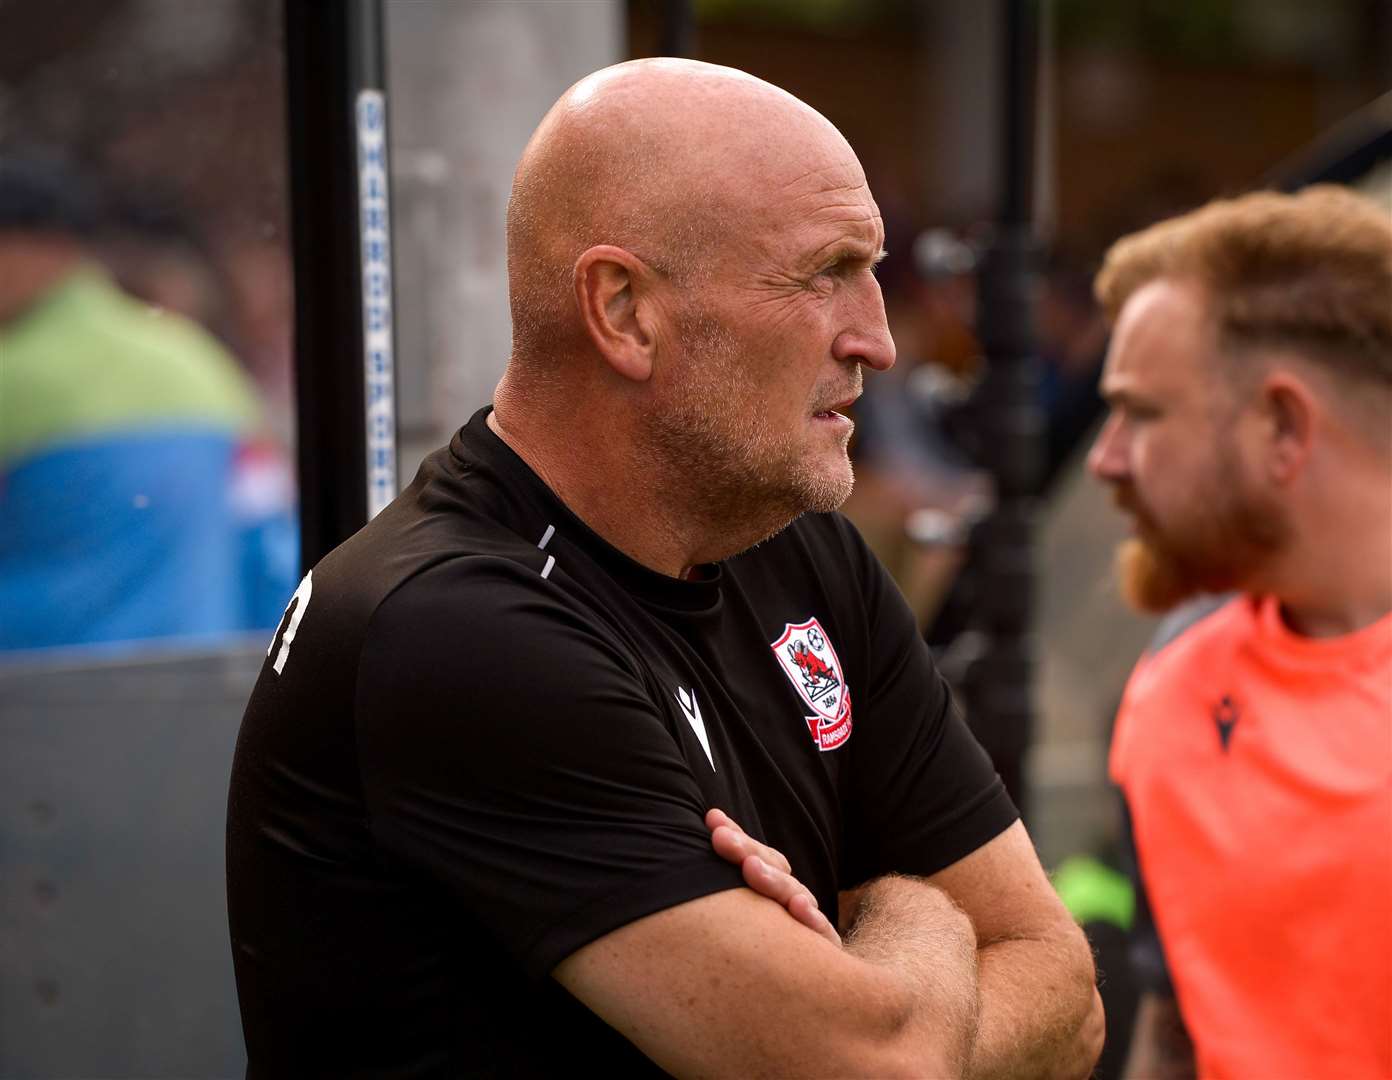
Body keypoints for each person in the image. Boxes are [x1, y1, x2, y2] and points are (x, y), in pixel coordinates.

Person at [226, 59, 1102, 1077]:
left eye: (873, 271)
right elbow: (879, 1070)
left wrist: (874, 980)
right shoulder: (456, 628)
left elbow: (1065, 993)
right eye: (825, 273)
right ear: (625, 311)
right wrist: (917, 909)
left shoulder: (801, 544)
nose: (879, 339)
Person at [1086, 185, 1392, 1078]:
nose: (1105, 459)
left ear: (1283, 429)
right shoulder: (1173, 682)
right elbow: (1178, 1023)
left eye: (1141, 414)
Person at [0, 148, 297, 652]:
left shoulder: (14, 376)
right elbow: (273, 559)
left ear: (39, 247)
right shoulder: (194, 359)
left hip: (37, 711)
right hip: (195, 702)